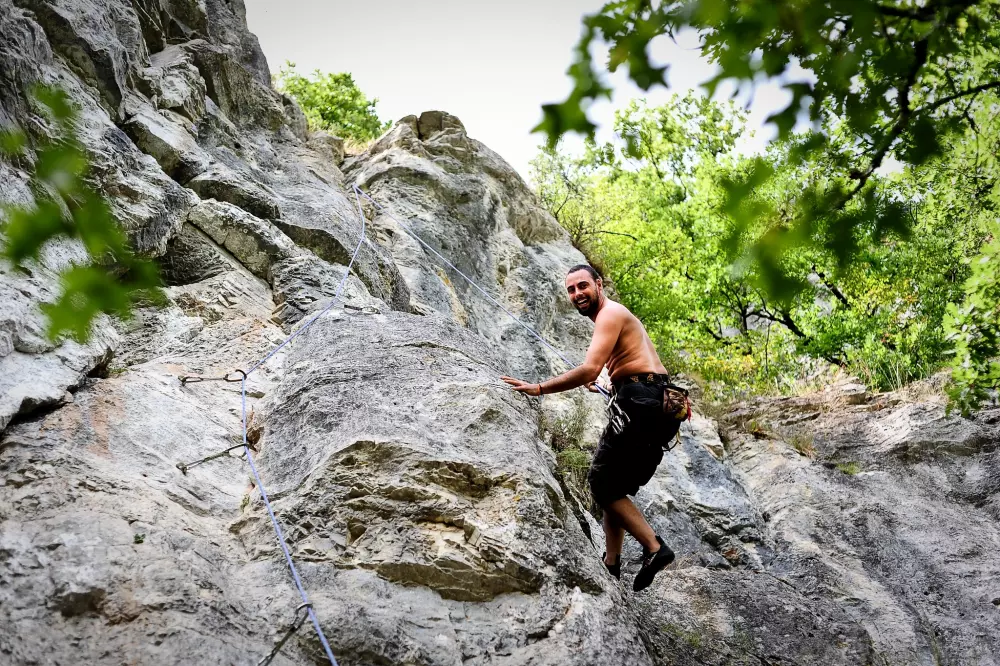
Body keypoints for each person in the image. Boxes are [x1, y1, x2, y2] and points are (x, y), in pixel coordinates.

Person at [501, 264, 677, 592]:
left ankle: (654, 548)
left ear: (599, 284)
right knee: (613, 486)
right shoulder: (616, 317)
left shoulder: (610, 313)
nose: (577, 293)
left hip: (641, 400)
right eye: (571, 290)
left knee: (600, 482)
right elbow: (634, 369)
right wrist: (610, 385)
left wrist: (539, 388)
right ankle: (611, 563)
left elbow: (589, 369)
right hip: (656, 402)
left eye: (582, 285)